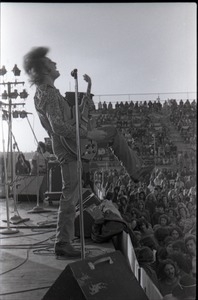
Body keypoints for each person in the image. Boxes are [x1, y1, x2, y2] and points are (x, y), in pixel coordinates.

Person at [23, 46, 153, 258]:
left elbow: (70, 121)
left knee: (111, 132)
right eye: (51, 63)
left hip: (72, 143)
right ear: (44, 70)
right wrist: (90, 135)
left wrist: (87, 95)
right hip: (68, 148)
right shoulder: (47, 94)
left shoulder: (49, 93)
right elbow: (59, 127)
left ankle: (135, 170)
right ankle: (62, 242)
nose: (55, 64)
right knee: (70, 194)